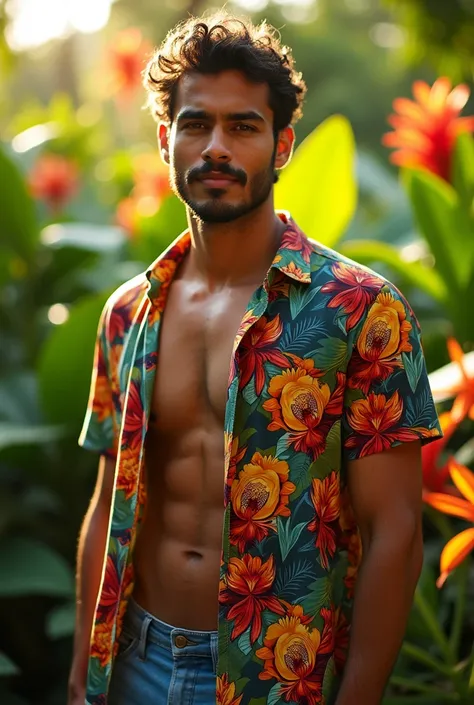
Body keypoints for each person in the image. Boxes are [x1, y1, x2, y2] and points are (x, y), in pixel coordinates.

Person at [68, 10, 442, 705]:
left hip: (276, 679)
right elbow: (107, 504)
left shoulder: (361, 310)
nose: (216, 147)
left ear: (283, 144)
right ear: (164, 139)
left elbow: (396, 529)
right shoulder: (128, 312)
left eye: (243, 126)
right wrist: (78, 677)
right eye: (195, 123)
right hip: (133, 662)